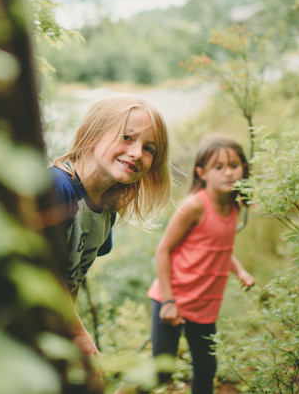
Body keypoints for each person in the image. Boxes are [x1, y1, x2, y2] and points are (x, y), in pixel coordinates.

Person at [42, 93, 171, 360]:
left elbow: (72, 276)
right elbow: (46, 275)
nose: (137, 153)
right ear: (93, 133)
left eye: (149, 148)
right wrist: (78, 333)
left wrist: (68, 333)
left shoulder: (104, 208)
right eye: (127, 137)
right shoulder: (57, 189)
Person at [147, 136, 255, 394]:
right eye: (219, 167)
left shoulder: (234, 205)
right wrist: (170, 301)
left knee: (206, 370)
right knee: (160, 371)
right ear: (202, 173)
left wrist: (239, 270)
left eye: (234, 165)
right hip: (172, 299)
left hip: (204, 306)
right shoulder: (195, 205)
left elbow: (219, 250)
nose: (228, 172)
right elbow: (163, 251)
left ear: (244, 167)